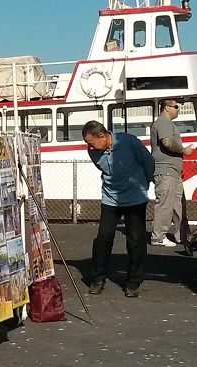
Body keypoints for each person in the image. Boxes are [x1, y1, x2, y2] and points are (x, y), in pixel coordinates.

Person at [82, 120, 154, 298]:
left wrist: (143, 184)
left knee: (136, 241)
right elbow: (102, 167)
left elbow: (148, 162)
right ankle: (98, 278)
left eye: (91, 143)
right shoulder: (93, 151)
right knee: (103, 239)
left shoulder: (129, 141)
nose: (89, 147)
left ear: (103, 136)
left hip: (135, 198)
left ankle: (133, 282)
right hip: (110, 200)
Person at [150, 99, 194, 255]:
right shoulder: (164, 122)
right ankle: (158, 237)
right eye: (176, 107)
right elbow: (167, 142)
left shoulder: (167, 123)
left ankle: (180, 235)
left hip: (172, 172)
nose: (178, 109)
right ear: (167, 108)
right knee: (165, 204)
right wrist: (184, 151)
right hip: (166, 171)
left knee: (177, 205)